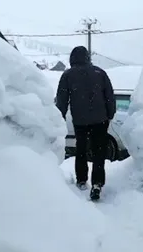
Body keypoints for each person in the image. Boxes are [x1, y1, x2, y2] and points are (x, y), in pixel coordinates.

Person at [56, 46, 116, 200]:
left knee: (81, 150)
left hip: (80, 121)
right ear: (87, 58)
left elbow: (62, 100)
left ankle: (82, 180)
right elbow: (109, 96)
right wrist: (110, 114)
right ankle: (97, 183)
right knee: (99, 151)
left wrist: (58, 117)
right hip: (100, 120)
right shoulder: (100, 73)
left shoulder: (68, 75)